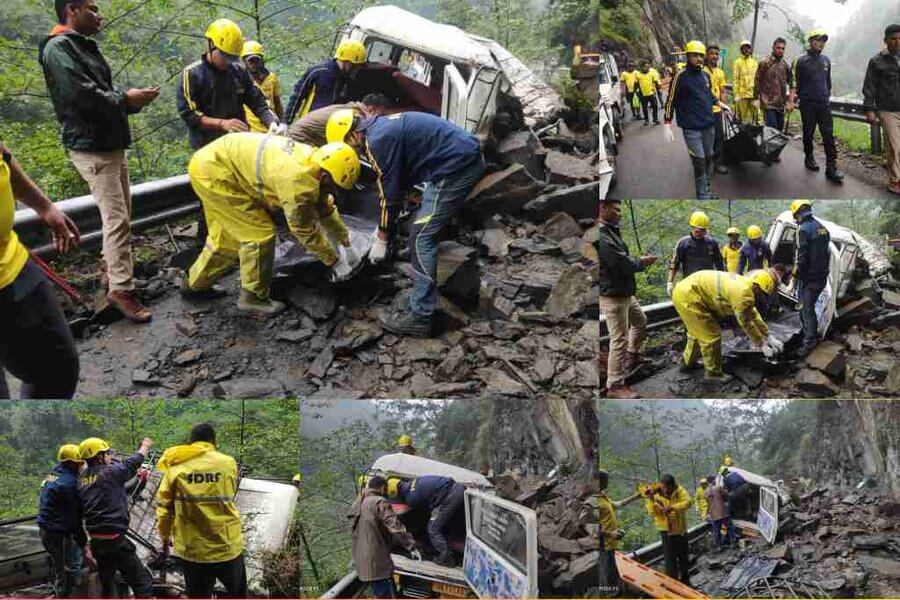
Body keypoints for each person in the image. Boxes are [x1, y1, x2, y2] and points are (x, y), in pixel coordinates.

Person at [39, 0, 158, 322]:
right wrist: (125, 100)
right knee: (116, 218)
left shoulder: (78, 47)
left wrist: (131, 102)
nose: (99, 15)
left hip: (108, 143)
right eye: (93, 8)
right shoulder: (59, 48)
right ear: (72, 9)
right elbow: (81, 96)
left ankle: (112, 271)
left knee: (121, 214)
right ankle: (121, 289)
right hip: (93, 147)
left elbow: (98, 92)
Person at [338, 93, 484, 338]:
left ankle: (420, 317)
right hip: (458, 159)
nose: (353, 151)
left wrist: (382, 235)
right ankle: (419, 269)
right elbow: (400, 175)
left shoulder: (375, 141)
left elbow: (389, 194)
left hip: (456, 169)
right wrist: (386, 227)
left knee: (420, 237)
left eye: (349, 145)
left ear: (353, 134)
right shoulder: (381, 127)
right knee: (420, 216)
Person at [180, 134, 361, 315]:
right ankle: (252, 298)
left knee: (225, 238)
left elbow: (325, 208)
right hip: (215, 172)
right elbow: (303, 230)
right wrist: (334, 261)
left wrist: (346, 242)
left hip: (216, 164)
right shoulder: (297, 182)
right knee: (259, 235)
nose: (333, 191)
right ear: (325, 175)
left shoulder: (315, 163)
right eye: (333, 186)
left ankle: (194, 285)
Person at [0, 142, 81, 399]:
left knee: (57, 371)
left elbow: (4, 156)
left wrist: (43, 206)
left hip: (13, 266)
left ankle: (32, 435)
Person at [156, 422, 247, 598]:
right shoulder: (228, 463)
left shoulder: (174, 468)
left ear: (191, 442)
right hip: (227, 546)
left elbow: (165, 508)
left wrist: (165, 536)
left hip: (193, 551)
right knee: (238, 594)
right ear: (213, 441)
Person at [176, 19, 283, 151]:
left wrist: (271, 122)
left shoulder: (239, 71)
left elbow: (258, 102)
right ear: (210, 45)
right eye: (224, 55)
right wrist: (222, 124)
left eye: (231, 57)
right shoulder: (192, 75)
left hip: (238, 142)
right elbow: (189, 114)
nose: (227, 61)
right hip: (207, 147)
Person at [672, 269, 783, 383]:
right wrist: (761, 344)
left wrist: (768, 335)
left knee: (697, 333)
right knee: (711, 337)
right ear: (757, 287)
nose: (760, 296)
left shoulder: (745, 285)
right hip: (689, 296)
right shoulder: (743, 293)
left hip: (687, 292)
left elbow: (753, 314)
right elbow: (745, 322)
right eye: (761, 293)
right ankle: (713, 374)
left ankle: (688, 363)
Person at [78, 436, 154, 598]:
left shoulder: (82, 480)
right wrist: (145, 445)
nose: (110, 457)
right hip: (116, 541)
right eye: (107, 454)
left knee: (108, 584)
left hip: (97, 543)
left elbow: (108, 494)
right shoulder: (110, 472)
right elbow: (134, 461)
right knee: (142, 582)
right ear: (100, 456)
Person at [596, 199, 657, 399]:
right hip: (613, 295)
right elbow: (618, 263)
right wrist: (641, 262)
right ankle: (615, 385)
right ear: (602, 208)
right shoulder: (601, 236)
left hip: (624, 293)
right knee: (618, 339)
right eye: (616, 209)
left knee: (640, 321)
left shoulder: (610, 231)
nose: (620, 213)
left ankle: (632, 356)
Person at [663, 42, 731, 199]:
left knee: (707, 160)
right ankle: (702, 196)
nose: (699, 58)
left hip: (709, 125)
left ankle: (707, 190)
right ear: (688, 56)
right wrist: (667, 124)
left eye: (701, 55)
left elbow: (709, 95)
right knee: (699, 162)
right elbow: (670, 100)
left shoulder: (705, 76)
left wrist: (721, 104)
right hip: (692, 129)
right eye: (695, 55)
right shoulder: (681, 76)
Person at [348, 476, 420, 599]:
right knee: (386, 595)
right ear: (382, 488)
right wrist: (411, 547)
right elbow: (395, 526)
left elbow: (353, 530)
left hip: (361, 559)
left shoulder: (357, 503)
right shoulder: (379, 501)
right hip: (377, 562)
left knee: (379, 593)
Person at [38, 444, 93, 597]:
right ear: (72, 463)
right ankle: (67, 593)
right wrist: (82, 540)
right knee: (70, 567)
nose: (82, 465)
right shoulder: (69, 484)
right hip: (59, 533)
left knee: (59, 563)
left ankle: (62, 587)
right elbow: (74, 518)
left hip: (46, 529)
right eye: (80, 463)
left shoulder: (52, 474)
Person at [789, 30, 844, 182]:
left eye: (823, 41)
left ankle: (831, 168)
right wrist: (792, 101)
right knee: (808, 133)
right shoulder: (800, 61)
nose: (820, 43)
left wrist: (825, 96)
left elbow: (828, 83)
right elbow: (794, 83)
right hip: (807, 104)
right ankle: (809, 157)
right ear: (810, 41)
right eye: (818, 40)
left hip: (824, 104)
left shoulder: (826, 60)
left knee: (828, 135)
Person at [284, 40, 367, 123]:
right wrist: (285, 122)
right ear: (348, 62)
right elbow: (297, 96)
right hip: (309, 123)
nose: (357, 69)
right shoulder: (318, 72)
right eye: (356, 66)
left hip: (331, 125)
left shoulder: (347, 80)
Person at [863, 24, 900, 195]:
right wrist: (869, 110)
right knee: (894, 145)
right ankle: (895, 181)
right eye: (893, 38)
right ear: (886, 40)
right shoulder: (876, 61)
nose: (897, 42)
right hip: (888, 110)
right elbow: (869, 87)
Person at [791, 199, 830, 356]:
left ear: (798, 214)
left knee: (807, 309)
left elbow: (801, 256)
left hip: (809, 278)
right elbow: (825, 252)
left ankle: (809, 341)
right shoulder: (823, 228)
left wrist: (794, 274)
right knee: (805, 307)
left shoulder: (803, 230)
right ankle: (808, 332)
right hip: (821, 277)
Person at [397, 475, 464, 567]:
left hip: (450, 497)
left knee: (433, 528)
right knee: (437, 522)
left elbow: (422, 513)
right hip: (457, 488)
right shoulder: (415, 481)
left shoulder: (411, 498)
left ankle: (446, 558)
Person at [666, 211, 725, 298]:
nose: (700, 233)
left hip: (708, 284)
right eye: (697, 230)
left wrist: (722, 284)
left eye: (703, 230)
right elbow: (674, 263)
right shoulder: (683, 243)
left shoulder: (712, 243)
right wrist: (670, 282)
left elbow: (719, 264)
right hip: (689, 284)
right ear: (692, 227)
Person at [649, 474, 692, 586]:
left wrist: (673, 507)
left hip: (680, 530)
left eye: (668, 487)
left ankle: (686, 582)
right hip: (666, 532)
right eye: (663, 487)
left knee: (684, 558)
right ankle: (673, 586)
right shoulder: (655, 494)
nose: (666, 490)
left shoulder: (679, 490)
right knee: (670, 561)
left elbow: (688, 502)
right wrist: (650, 500)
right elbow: (652, 512)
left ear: (673, 485)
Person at [241, 41, 283, 133]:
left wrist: (283, 123)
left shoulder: (271, 78)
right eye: (251, 61)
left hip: (271, 127)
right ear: (244, 61)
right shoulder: (241, 81)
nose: (254, 64)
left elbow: (277, 103)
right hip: (251, 130)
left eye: (257, 60)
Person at [755, 37, 793, 134]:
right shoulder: (764, 62)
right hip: (768, 104)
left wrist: (790, 101)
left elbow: (792, 82)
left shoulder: (785, 65)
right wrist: (756, 98)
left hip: (780, 105)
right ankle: (765, 148)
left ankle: (769, 148)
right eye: (778, 48)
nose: (780, 50)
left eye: (783, 48)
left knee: (779, 130)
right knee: (772, 131)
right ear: (773, 47)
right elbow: (757, 81)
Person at [703, 44, 730, 175]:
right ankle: (705, 163)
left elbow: (723, 91)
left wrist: (724, 105)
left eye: (716, 54)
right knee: (706, 137)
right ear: (706, 55)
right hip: (704, 111)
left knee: (719, 137)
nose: (714, 56)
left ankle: (718, 163)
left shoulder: (720, 73)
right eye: (711, 53)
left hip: (717, 110)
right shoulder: (701, 71)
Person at [290, 103, 364, 147]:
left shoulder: (350, 108)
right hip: (300, 137)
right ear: (371, 109)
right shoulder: (352, 116)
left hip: (300, 130)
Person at [598, 470, 623, 596]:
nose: (607, 482)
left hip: (610, 542)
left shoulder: (603, 497)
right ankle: (609, 595)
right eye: (605, 480)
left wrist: (637, 496)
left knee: (611, 570)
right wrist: (611, 534)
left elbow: (618, 504)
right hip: (603, 543)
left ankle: (613, 594)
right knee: (607, 572)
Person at [732, 40, 760, 124]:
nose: (746, 49)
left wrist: (758, 96)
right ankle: (739, 135)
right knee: (740, 118)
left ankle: (757, 134)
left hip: (753, 95)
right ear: (741, 50)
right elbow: (735, 79)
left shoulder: (755, 62)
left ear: (751, 49)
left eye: (748, 47)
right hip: (742, 95)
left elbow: (758, 79)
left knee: (757, 117)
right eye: (744, 48)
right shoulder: (737, 62)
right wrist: (736, 95)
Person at [705, 475, 733, 550]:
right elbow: (726, 495)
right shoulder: (718, 488)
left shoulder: (706, 491)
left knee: (716, 530)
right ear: (713, 480)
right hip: (722, 512)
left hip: (713, 514)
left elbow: (707, 503)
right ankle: (732, 542)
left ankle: (718, 546)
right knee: (729, 526)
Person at [635, 61, 662, 126]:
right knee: (644, 108)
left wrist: (659, 89)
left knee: (655, 106)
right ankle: (646, 120)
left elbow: (656, 82)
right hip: (642, 94)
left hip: (651, 93)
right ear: (641, 67)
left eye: (647, 67)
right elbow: (636, 84)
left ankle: (655, 119)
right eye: (645, 67)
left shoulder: (651, 73)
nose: (646, 68)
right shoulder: (638, 75)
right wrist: (635, 92)